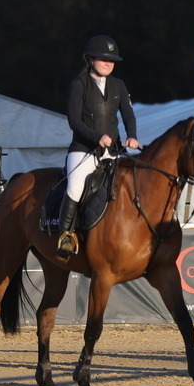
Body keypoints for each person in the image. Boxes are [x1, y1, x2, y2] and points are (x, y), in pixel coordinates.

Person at [57, 35, 140, 258]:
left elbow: (129, 116)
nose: (108, 63)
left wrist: (132, 136)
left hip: (112, 152)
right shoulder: (79, 85)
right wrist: (97, 137)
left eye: (112, 60)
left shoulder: (119, 85)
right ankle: (65, 235)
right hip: (83, 150)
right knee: (75, 187)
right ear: (90, 59)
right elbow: (74, 121)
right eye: (104, 59)